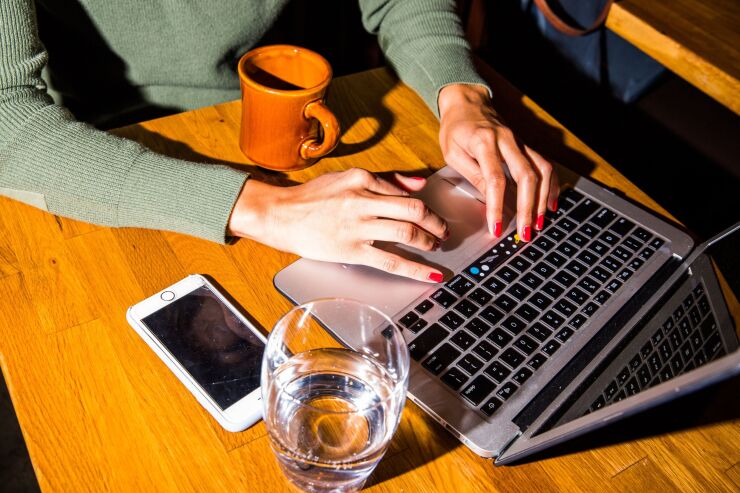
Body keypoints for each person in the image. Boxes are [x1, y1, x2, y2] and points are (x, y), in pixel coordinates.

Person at [0, 0, 559, 283]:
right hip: (93, 158)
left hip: (285, 123)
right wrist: (268, 207)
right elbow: (7, 114)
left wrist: (461, 99)